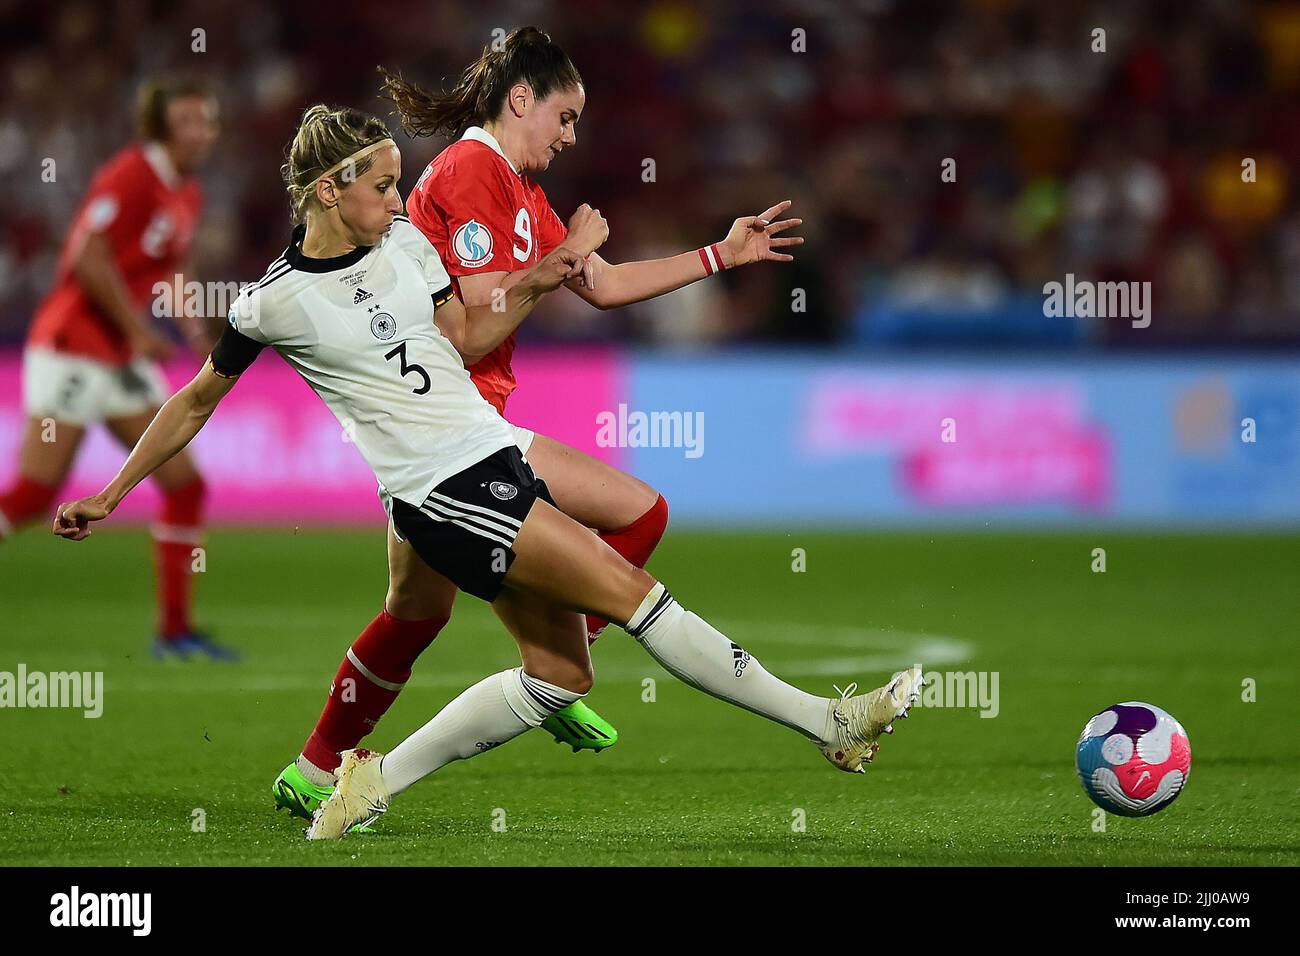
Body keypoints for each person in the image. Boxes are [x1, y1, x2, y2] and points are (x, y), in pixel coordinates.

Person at [52, 104, 925, 842]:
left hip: (489, 454)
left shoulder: (403, 242)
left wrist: (542, 275)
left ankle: (367, 782)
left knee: (562, 676)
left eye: (399, 180)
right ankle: (828, 723)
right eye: (383, 184)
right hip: (442, 491)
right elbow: (198, 402)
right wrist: (113, 491)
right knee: (631, 592)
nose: (399, 200)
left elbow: (467, 338)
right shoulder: (273, 300)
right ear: (328, 191)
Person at [273, 26, 806, 813]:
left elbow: (607, 283)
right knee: (633, 514)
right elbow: (478, 315)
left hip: (466, 423)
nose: (569, 135)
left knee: (416, 611)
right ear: (521, 98)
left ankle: (319, 767)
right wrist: (556, 266)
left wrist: (721, 255)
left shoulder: (519, 189)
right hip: (448, 428)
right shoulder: (471, 170)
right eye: (563, 115)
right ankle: (550, 672)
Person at [1, 77, 233, 660]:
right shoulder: (132, 174)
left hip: (120, 357)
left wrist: (194, 326)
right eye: (187, 121)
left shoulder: (186, 190)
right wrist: (135, 328)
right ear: (160, 128)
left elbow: (171, 263)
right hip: (74, 343)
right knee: (33, 495)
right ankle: (175, 631)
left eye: (205, 120)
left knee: (185, 484)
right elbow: (87, 255)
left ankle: (175, 631)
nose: (201, 132)